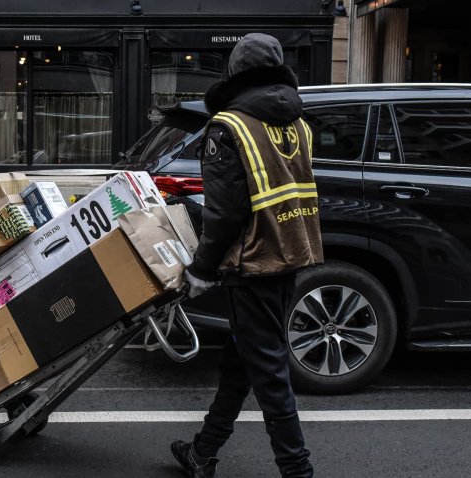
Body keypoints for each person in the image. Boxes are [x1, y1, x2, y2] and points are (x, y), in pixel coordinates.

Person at [170, 33, 323, 478]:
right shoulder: (298, 123)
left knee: (270, 374)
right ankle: (203, 452)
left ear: (234, 73)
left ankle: (298, 472)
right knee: (242, 362)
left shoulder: (229, 127)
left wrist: (200, 269)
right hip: (290, 254)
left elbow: (226, 212)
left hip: (251, 263)